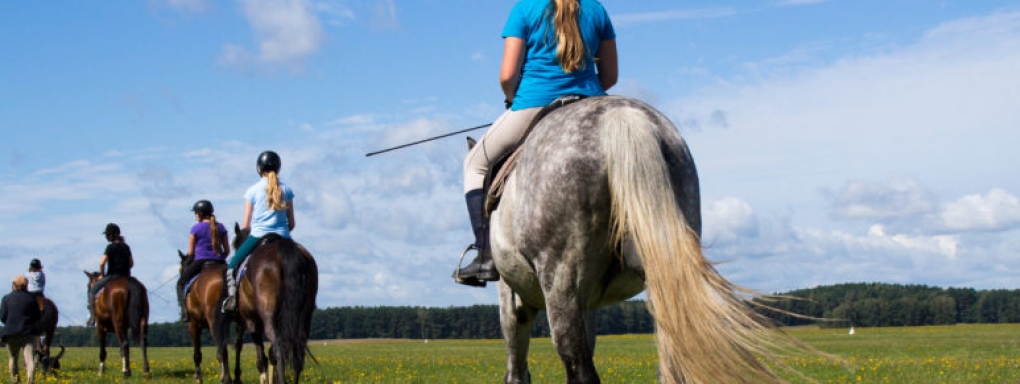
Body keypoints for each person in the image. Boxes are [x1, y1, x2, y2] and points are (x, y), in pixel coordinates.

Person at [455, 0, 617, 286]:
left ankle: (485, 254)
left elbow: (507, 75)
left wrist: (512, 99)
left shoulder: (524, 9)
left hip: (535, 102)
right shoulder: (596, 9)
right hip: (592, 103)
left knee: (475, 163)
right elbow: (610, 77)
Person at [222, 151, 295, 313]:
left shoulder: (252, 191)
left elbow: (245, 226)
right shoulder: (287, 190)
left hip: (257, 235)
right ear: (278, 167)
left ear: (259, 168)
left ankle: (232, 299)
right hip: (284, 236)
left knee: (232, 264)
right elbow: (292, 223)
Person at [176, 200, 230, 322]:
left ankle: (184, 312)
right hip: (220, 262)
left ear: (200, 213)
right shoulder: (221, 227)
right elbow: (227, 250)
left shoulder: (195, 229)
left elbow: (191, 253)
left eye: (195, 213)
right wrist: (220, 259)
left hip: (201, 262)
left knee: (180, 283)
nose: (195, 215)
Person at [86, 223, 134, 327]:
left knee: (92, 292)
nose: (106, 237)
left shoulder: (110, 247)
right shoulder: (126, 247)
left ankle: (93, 317)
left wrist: (102, 275)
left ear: (112, 235)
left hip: (112, 276)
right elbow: (131, 264)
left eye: (107, 235)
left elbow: (102, 263)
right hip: (126, 277)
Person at [1, 275, 41, 384]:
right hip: (28, 333)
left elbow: (3, 317)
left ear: (14, 285)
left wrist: (11, 324)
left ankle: (15, 381)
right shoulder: (32, 299)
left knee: (13, 358)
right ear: (25, 286)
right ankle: (30, 380)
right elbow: (37, 316)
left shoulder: (6, 298)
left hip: (11, 333)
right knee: (30, 360)